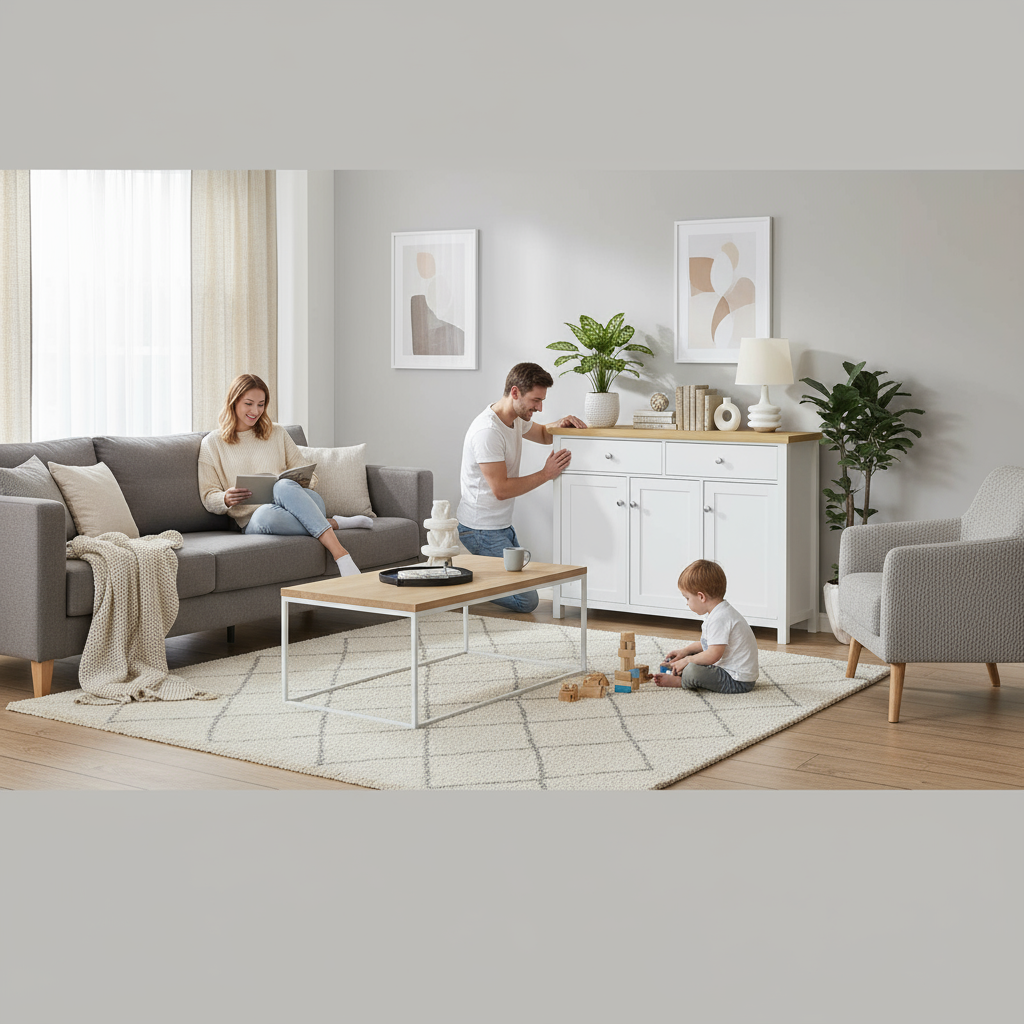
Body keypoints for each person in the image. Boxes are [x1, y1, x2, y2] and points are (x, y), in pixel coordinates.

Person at [198, 373, 371, 577]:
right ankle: (334, 529)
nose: (255, 411)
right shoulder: (212, 444)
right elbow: (208, 496)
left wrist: (298, 481)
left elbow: (310, 476)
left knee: (281, 486)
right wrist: (225, 498)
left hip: (304, 503)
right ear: (233, 402)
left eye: (261, 404)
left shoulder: (277, 433)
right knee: (264, 513)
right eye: (249, 403)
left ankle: (339, 552)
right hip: (260, 519)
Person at [456, 362, 586, 613]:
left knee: (525, 584)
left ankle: (471, 575)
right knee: (526, 601)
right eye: (535, 400)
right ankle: (461, 584)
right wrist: (546, 474)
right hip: (479, 530)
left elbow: (545, 435)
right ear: (515, 392)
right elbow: (501, 489)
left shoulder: (515, 418)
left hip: (501, 527)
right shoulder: (487, 431)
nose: (539, 408)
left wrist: (561, 423)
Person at [654, 559, 760, 693]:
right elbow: (710, 644)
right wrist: (685, 651)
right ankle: (680, 668)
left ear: (701, 597)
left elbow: (713, 655)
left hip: (736, 680)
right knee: (693, 656)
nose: (687, 603)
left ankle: (682, 681)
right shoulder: (717, 612)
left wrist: (687, 660)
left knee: (693, 670)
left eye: (687, 598)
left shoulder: (720, 618)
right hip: (727, 669)